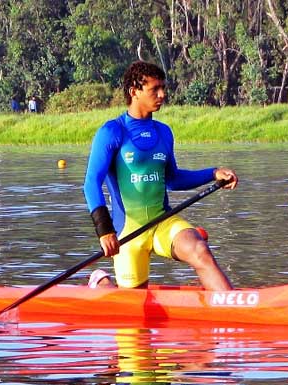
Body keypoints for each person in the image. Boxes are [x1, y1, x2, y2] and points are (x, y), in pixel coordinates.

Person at [83, 60, 237, 291]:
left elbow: (173, 179)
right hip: (128, 232)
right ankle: (101, 282)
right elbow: (91, 183)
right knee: (133, 314)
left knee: (200, 250)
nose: (162, 94)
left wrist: (213, 174)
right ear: (134, 92)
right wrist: (104, 230)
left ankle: (232, 310)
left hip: (162, 222)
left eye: (163, 88)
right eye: (155, 89)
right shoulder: (112, 132)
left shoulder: (164, 132)